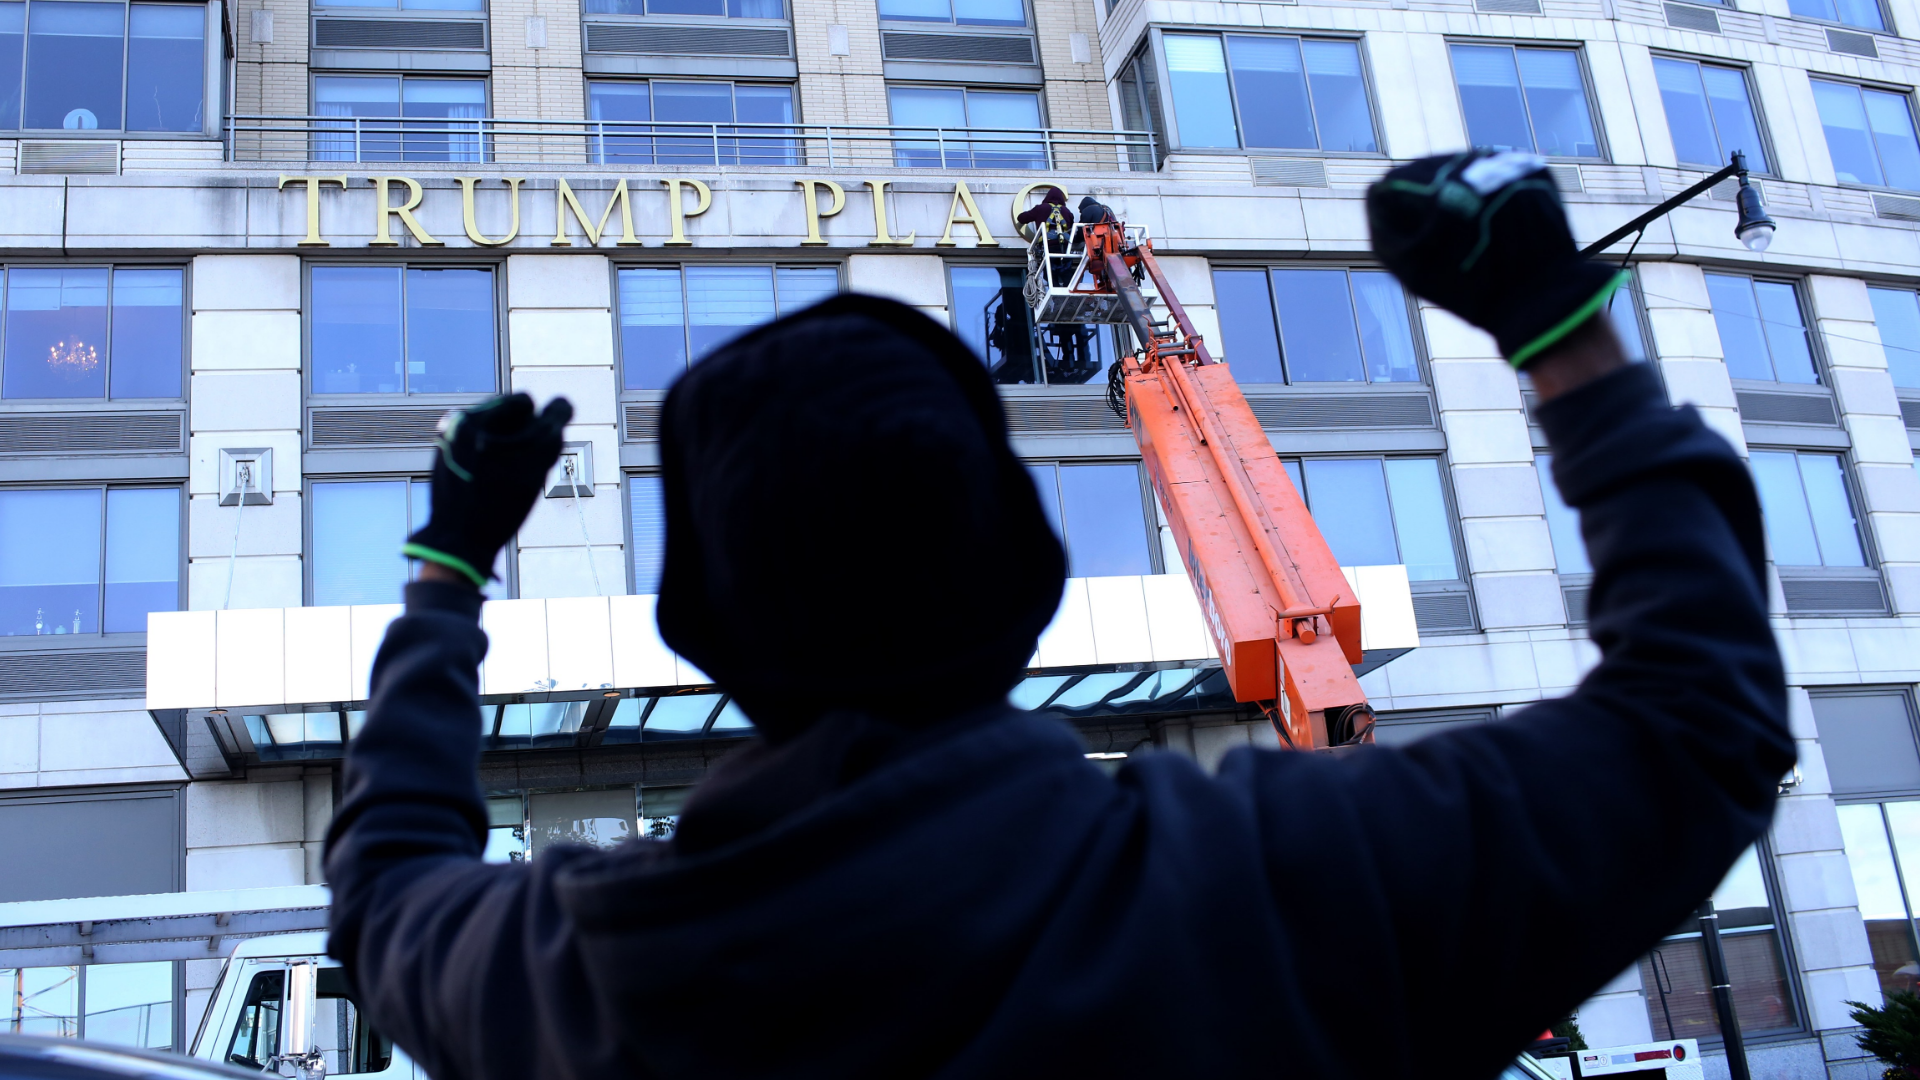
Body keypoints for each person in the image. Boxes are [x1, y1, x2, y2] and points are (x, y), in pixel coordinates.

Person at [325, 148, 1791, 1080]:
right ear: (1029, 582)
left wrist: (451, 565)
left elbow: (388, 878)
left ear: (704, 630)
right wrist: (1564, 335)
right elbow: (1698, 723)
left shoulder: (570, 980)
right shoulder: (1268, 884)